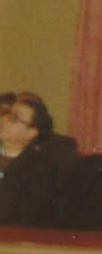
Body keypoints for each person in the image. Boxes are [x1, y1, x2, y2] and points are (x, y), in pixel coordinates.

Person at [0, 93, 70, 227]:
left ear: (31, 133)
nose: (4, 120)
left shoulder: (39, 169)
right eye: (6, 113)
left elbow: (25, 218)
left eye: (14, 118)